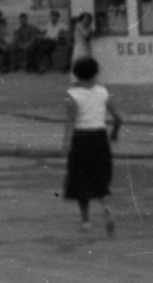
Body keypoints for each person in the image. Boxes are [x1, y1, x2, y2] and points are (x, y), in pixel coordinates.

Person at [62, 57, 123, 235]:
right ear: (95, 73)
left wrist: (65, 144)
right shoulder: (102, 92)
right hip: (100, 138)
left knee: (80, 179)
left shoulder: (72, 94)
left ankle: (86, 221)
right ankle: (105, 207)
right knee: (99, 177)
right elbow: (118, 118)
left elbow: (70, 122)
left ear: (76, 74)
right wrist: (114, 134)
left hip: (81, 138)